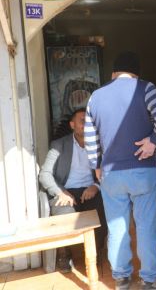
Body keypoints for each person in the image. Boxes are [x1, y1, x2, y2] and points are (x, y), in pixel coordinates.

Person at [84, 51, 156, 290]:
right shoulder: (145, 88)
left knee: (117, 225)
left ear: (114, 73)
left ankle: (121, 278)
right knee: (146, 224)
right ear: (136, 73)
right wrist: (153, 141)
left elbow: (90, 137)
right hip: (143, 170)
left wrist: (96, 165)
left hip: (110, 174)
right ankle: (150, 279)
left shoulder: (95, 96)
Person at [38, 108, 107, 273]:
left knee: (102, 209)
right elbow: (45, 174)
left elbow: (108, 172)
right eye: (82, 120)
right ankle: (64, 253)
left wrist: (95, 187)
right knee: (64, 215)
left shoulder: (99, 144)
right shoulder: (59, 145)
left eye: (89, 120)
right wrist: (60, 192)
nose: (86, 123)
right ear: (72, 125)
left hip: (89, 190)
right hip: (66, 191)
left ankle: (94, 251)